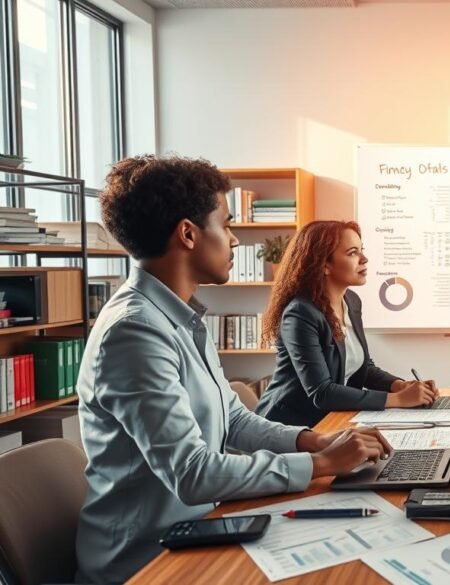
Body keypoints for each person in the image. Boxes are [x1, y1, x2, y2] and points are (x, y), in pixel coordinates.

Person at [76, 155, 393, 584]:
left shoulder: (178, 316)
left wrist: (313, 440)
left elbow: (234, 418)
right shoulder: (135, 332)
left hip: (203, 527)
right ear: (188, 234)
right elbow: (192, 473)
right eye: (225, 225)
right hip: (147, 561)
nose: (235, 239)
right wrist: (319, 462)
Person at [255, 220, 438, 427]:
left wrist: (400, 386)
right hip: (286, 426)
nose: (364, 259)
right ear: (324, 264)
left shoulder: (351, 301)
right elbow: (322, 392)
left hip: (330, 419)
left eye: (362, 250)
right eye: (352, 253)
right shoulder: (300, 314)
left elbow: (363, 367)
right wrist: (397, 400)